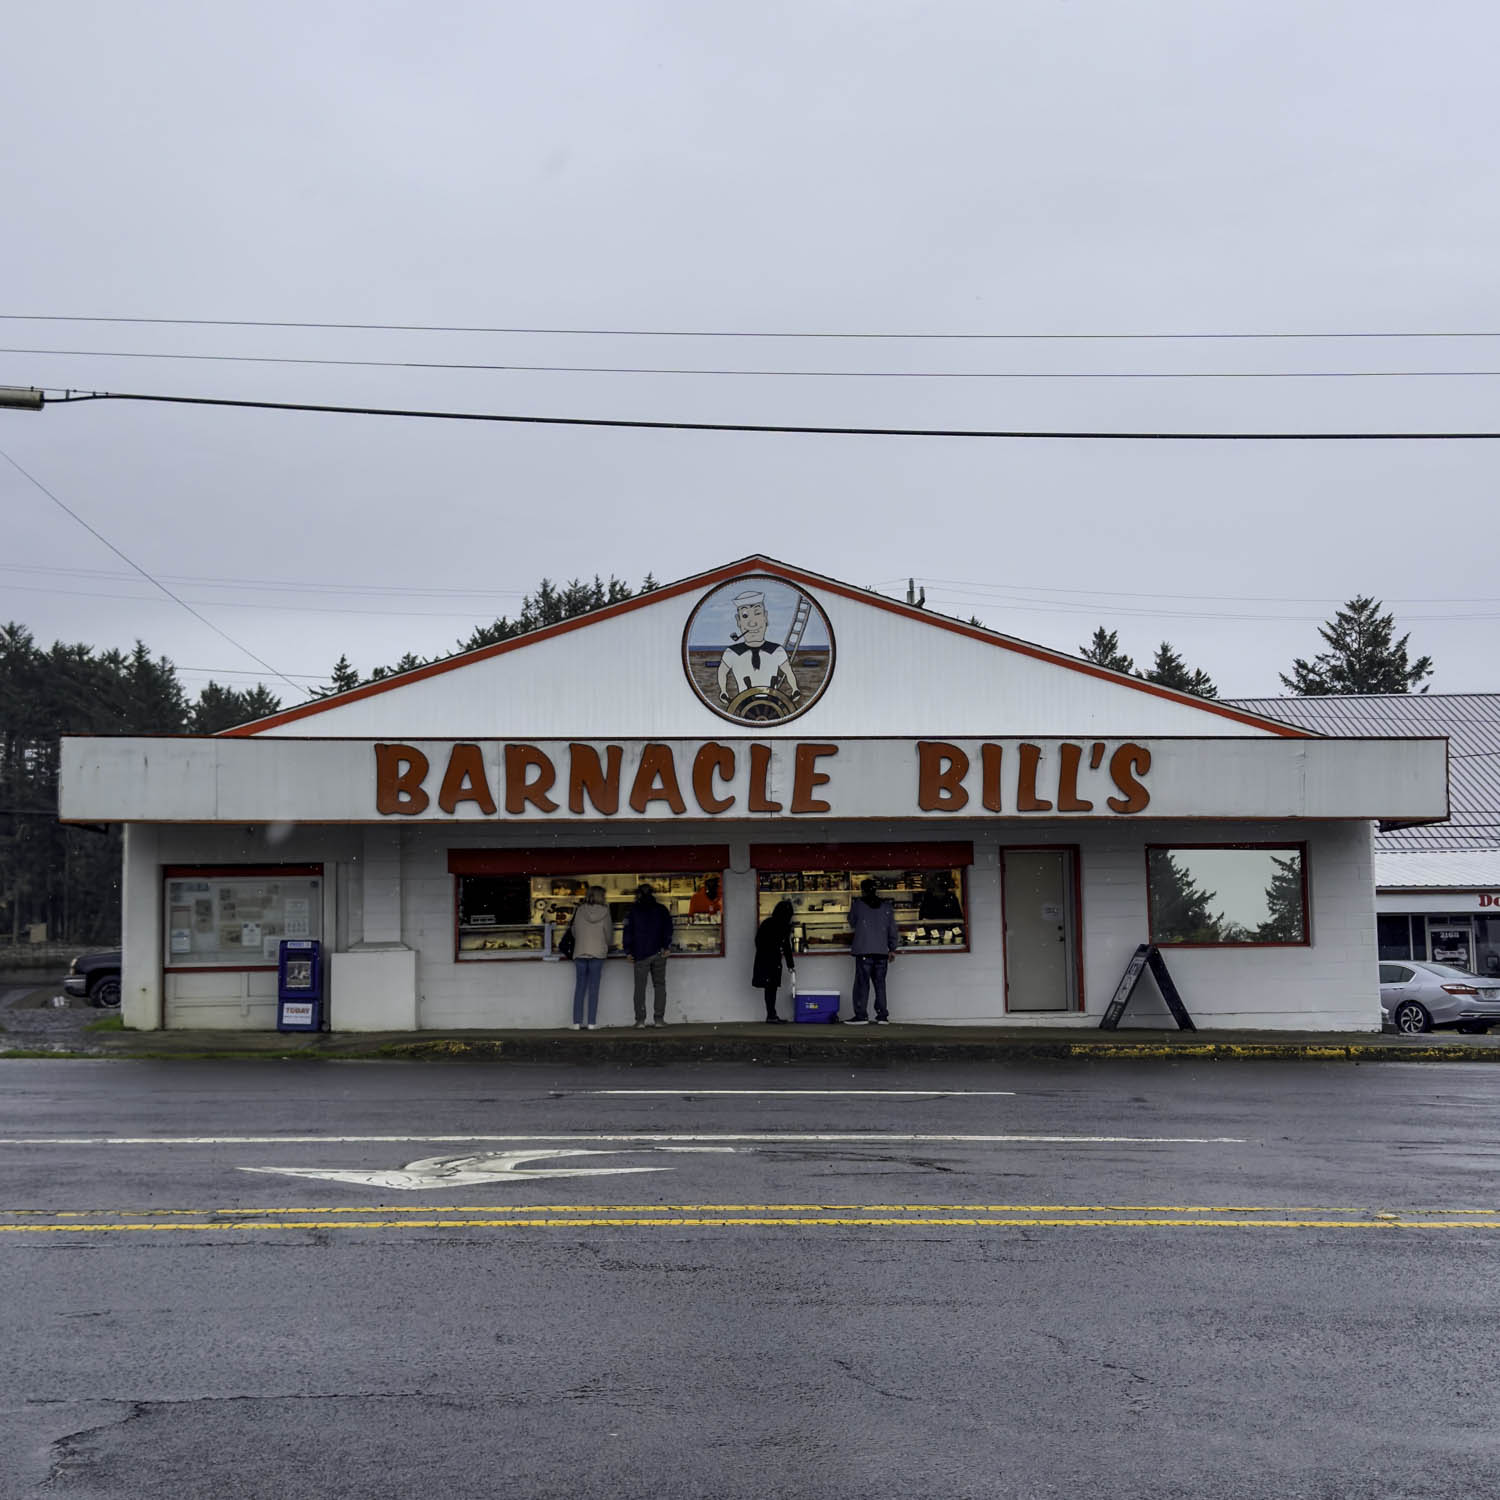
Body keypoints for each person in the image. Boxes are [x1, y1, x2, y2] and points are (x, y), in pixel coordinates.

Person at [716, 590, 799, 707]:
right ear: (738, 621)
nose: (752, 623)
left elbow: (789, 673)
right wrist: (723, 691)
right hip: (745, 705)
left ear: (766, 617)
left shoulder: (778, 651)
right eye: (745, 616)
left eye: (757, 613)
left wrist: (795, 689)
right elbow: (722, 672)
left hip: (772, 706)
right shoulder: (731, 653)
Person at [846, 878, 900, 1025]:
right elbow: (892, 929)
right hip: (882, 952)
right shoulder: (886, 906)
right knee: (880, 984)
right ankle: (882, 1015)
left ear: (862, 890)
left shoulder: (858, 905)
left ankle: (861, 1015)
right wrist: (892, 948)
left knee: (862, 985)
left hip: (864, 951)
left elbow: (852, 921)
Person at [623, 883, 673, 1027]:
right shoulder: (661, 910)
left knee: (640, 987)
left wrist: (628, 951)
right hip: (659, 952)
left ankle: (640, 1020)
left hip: (640, 953)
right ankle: (659, 1019)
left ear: (638, 894)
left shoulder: (632, 911)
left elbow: (628, 932)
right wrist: (666, 945)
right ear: (653, 894)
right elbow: (668, 929)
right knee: (659, 985)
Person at [566, 885, 612, 1030]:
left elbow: (573, 931)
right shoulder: (605, 911)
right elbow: (608, 934)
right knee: (594, 989)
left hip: (580, 952)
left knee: (580, 988)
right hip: (597, 954)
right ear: (601, 896)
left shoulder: (580, 910)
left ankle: (576, 1022)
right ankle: (592, 1023)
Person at [752, 899, 797, 1023]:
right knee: (772, 988)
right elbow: (786, 946)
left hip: (765, 959)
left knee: (769, 987)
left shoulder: (767, 923)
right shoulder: (784, 927)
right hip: (774, 960)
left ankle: (771, 1014)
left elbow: (758, 941)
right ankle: (771, 1015)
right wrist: (790, 964)